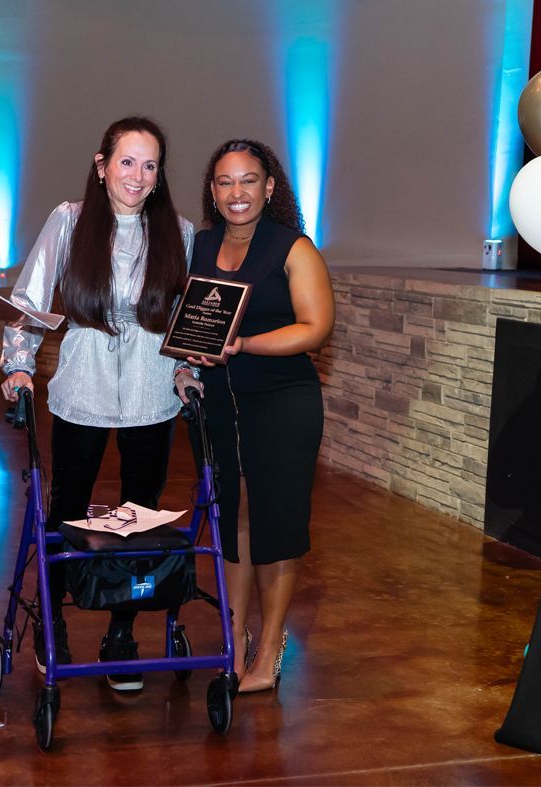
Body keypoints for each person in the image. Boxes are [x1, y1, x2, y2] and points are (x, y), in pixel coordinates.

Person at [0, 116, 194, 692]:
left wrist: (185, 367)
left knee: (141, 515)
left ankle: (122, 631)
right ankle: (51, 621)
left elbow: (186, 318)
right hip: (81, 386)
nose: (137, 176)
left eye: (150, 165)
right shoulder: (69, 221)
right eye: (127, 161)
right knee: (67, 509)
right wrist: (17, 363)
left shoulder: (178, 233)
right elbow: (30, 302)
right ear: (102, 163)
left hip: (151, 392)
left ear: (160, 176)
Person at [175, 139, 333, 693]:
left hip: (283, 402)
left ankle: (270, 647)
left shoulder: (293, 248)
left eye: (248, 180)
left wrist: (242, 344)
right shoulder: (199, 246)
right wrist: (186, 361)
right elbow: (187, 321)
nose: (236, 192)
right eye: (224, 182)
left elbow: (315, 328)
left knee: (278, 527)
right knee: (231, 521)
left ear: (270, 187)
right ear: (212, 192)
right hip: (216, 403)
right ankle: (234, 637)